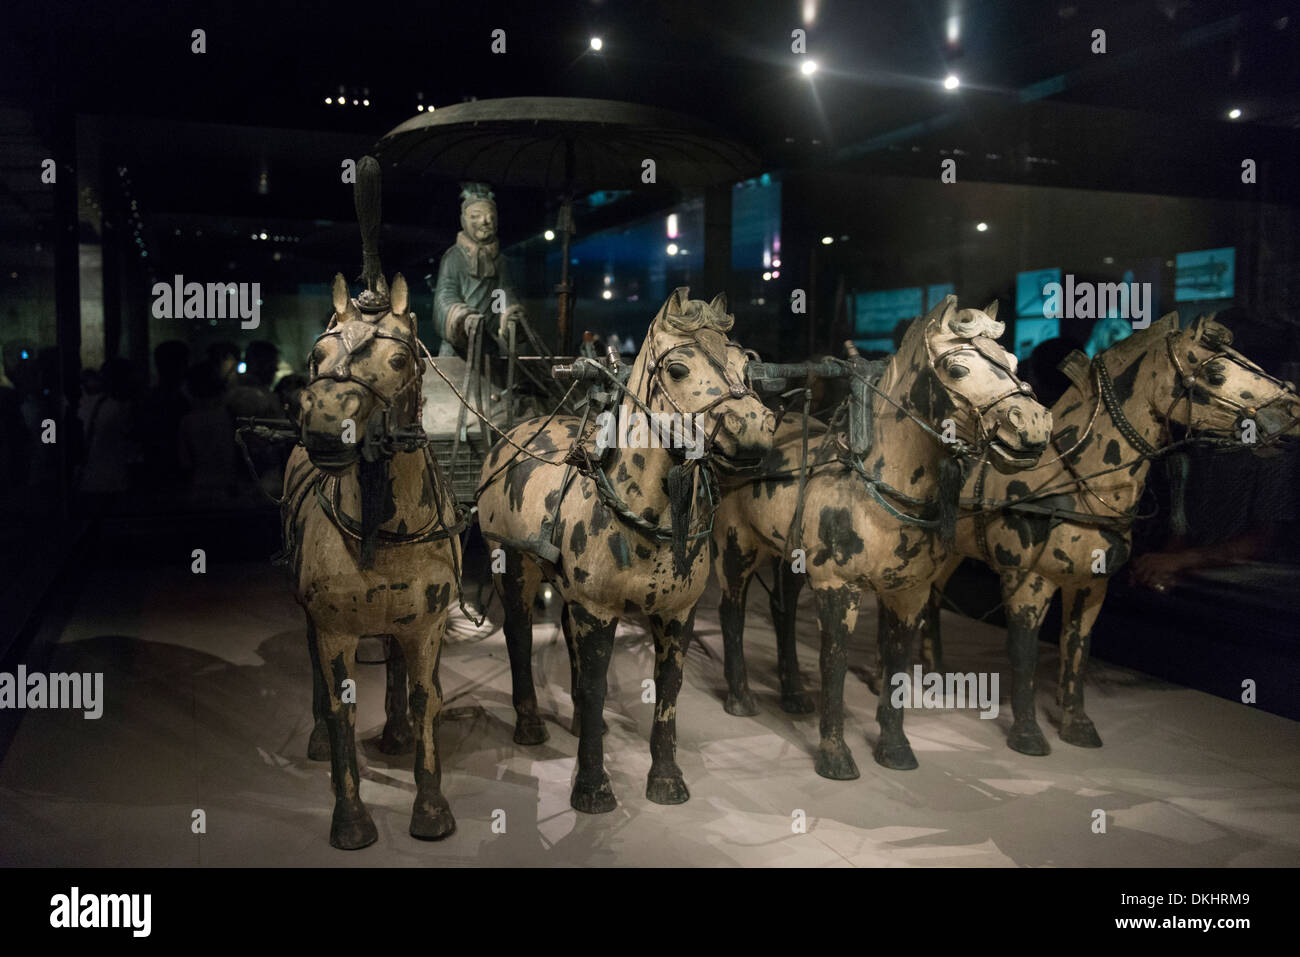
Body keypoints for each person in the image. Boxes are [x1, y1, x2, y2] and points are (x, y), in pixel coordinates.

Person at [433, 182, 525, 359]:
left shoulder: (500, 261)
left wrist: (510, 315)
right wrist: (463, 317)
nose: (485, 221)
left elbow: (502, 294)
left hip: (493, 349)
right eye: (476, 216)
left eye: (491, 216)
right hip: (457, 351)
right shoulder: (453, 257)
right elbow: (445, 296)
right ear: (463, 221)